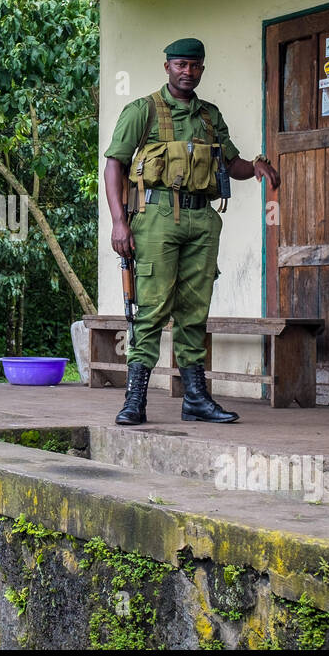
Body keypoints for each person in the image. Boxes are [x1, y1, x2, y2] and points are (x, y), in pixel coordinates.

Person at [103, 38, 281, 426]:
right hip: (156, 217)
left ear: (202, 69)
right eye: (181, 65)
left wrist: (256, 167)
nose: (188, 72)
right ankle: (135, 401)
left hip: (202, 220)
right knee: (150, 309)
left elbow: (230, 163)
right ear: (166, 66)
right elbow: (114, 165)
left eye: (195, 66)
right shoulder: (142, 111)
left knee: (194, 312)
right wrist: (119, 221)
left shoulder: (209, 116)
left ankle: (196, 400)